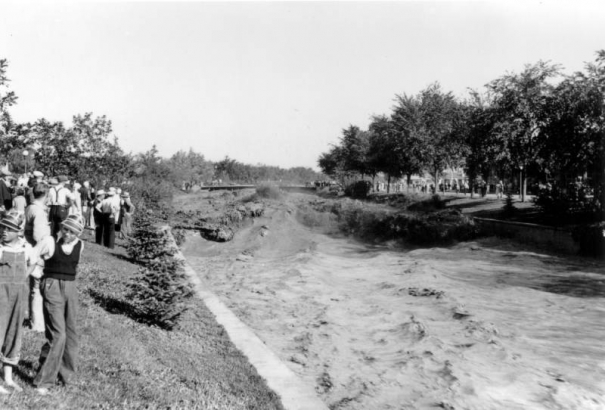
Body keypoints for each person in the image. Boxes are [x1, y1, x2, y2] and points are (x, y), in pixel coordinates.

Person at [33, 214, 84, 395]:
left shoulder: (80, 245)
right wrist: (38, 274)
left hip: (70, 287)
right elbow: (32, 256)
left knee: (71, 332)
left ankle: (67, 376)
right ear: (61, 228)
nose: (67, 234)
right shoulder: (50, 241)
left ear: (78, 234)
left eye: (72, 231)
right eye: (65, 229)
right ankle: (44, 381)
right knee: (58, 334)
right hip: (52, 284)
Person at [0, 210, 40, 394]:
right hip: (1, 295)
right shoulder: (1, 248)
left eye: (9, 229)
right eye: (3, 227)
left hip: (18, 296)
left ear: (19, 232)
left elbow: (34, 262)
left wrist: (24, 275)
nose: (4, 231)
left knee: (14, 331)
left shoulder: (25, 248)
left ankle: (7, 376)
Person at [24, 183, 55, 332]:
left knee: (33, 288)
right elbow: (38, 235)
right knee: (37, 288)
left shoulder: (30, 207)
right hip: (36, 251)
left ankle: (33, 319)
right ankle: (37, 324)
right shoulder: (40, 211)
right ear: (46, 196)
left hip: (29, 248)